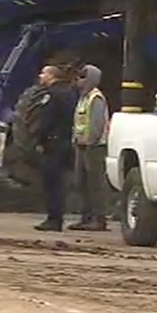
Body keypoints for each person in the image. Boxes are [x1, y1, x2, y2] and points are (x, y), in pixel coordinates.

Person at [32, 64, 77, 232]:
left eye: (43, 73)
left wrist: (39, 139)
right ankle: (56, 217)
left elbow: (47, 120)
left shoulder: (52, 95)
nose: (40, 76)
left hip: (53, 143)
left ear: (51, 76)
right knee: (59, 182)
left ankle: (54, 218)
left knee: (52, 183)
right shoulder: (70, 93)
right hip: (65, 141)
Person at [68, 64, 110, 231]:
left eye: (82, 77)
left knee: (95, 183)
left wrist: (90, 141)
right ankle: (85, 217)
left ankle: (99, 218)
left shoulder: (96, 98)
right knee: (81, 182)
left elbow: (97, 124)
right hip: (81, 145)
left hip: (93, 147)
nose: (78, 81)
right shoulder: (83, 98)